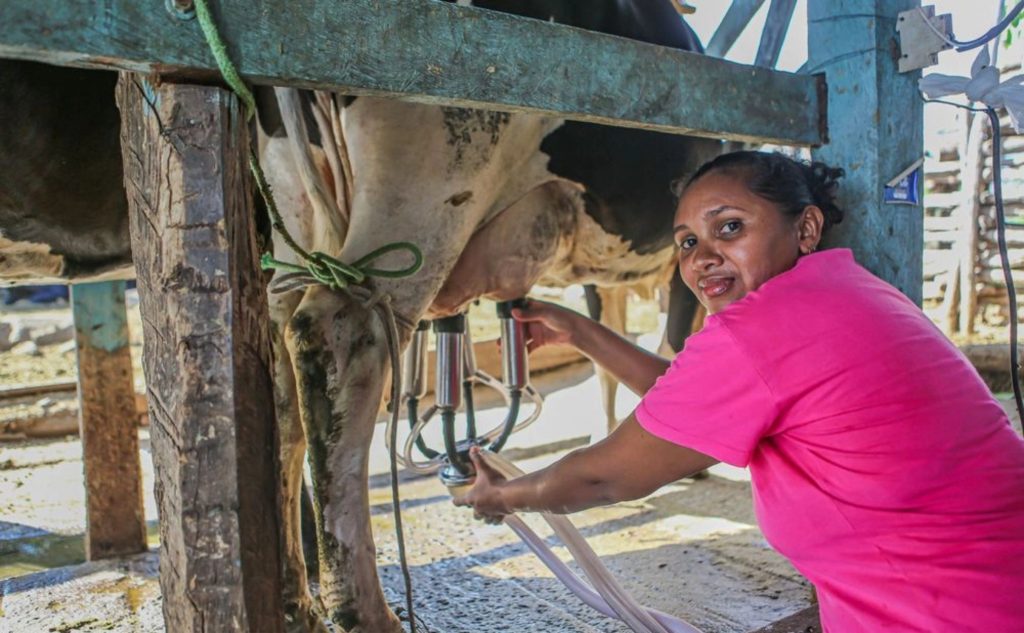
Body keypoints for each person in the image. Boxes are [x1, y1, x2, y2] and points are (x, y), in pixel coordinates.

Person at [456, 151, 1024, 631]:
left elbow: (608, 475)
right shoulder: (846, 289)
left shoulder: (761, 329)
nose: (702, 257)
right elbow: (696, 409)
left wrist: (501, 497)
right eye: (685, 242)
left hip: (951, 612)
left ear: (805, 228)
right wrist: (582, 332)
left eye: (730, 228)